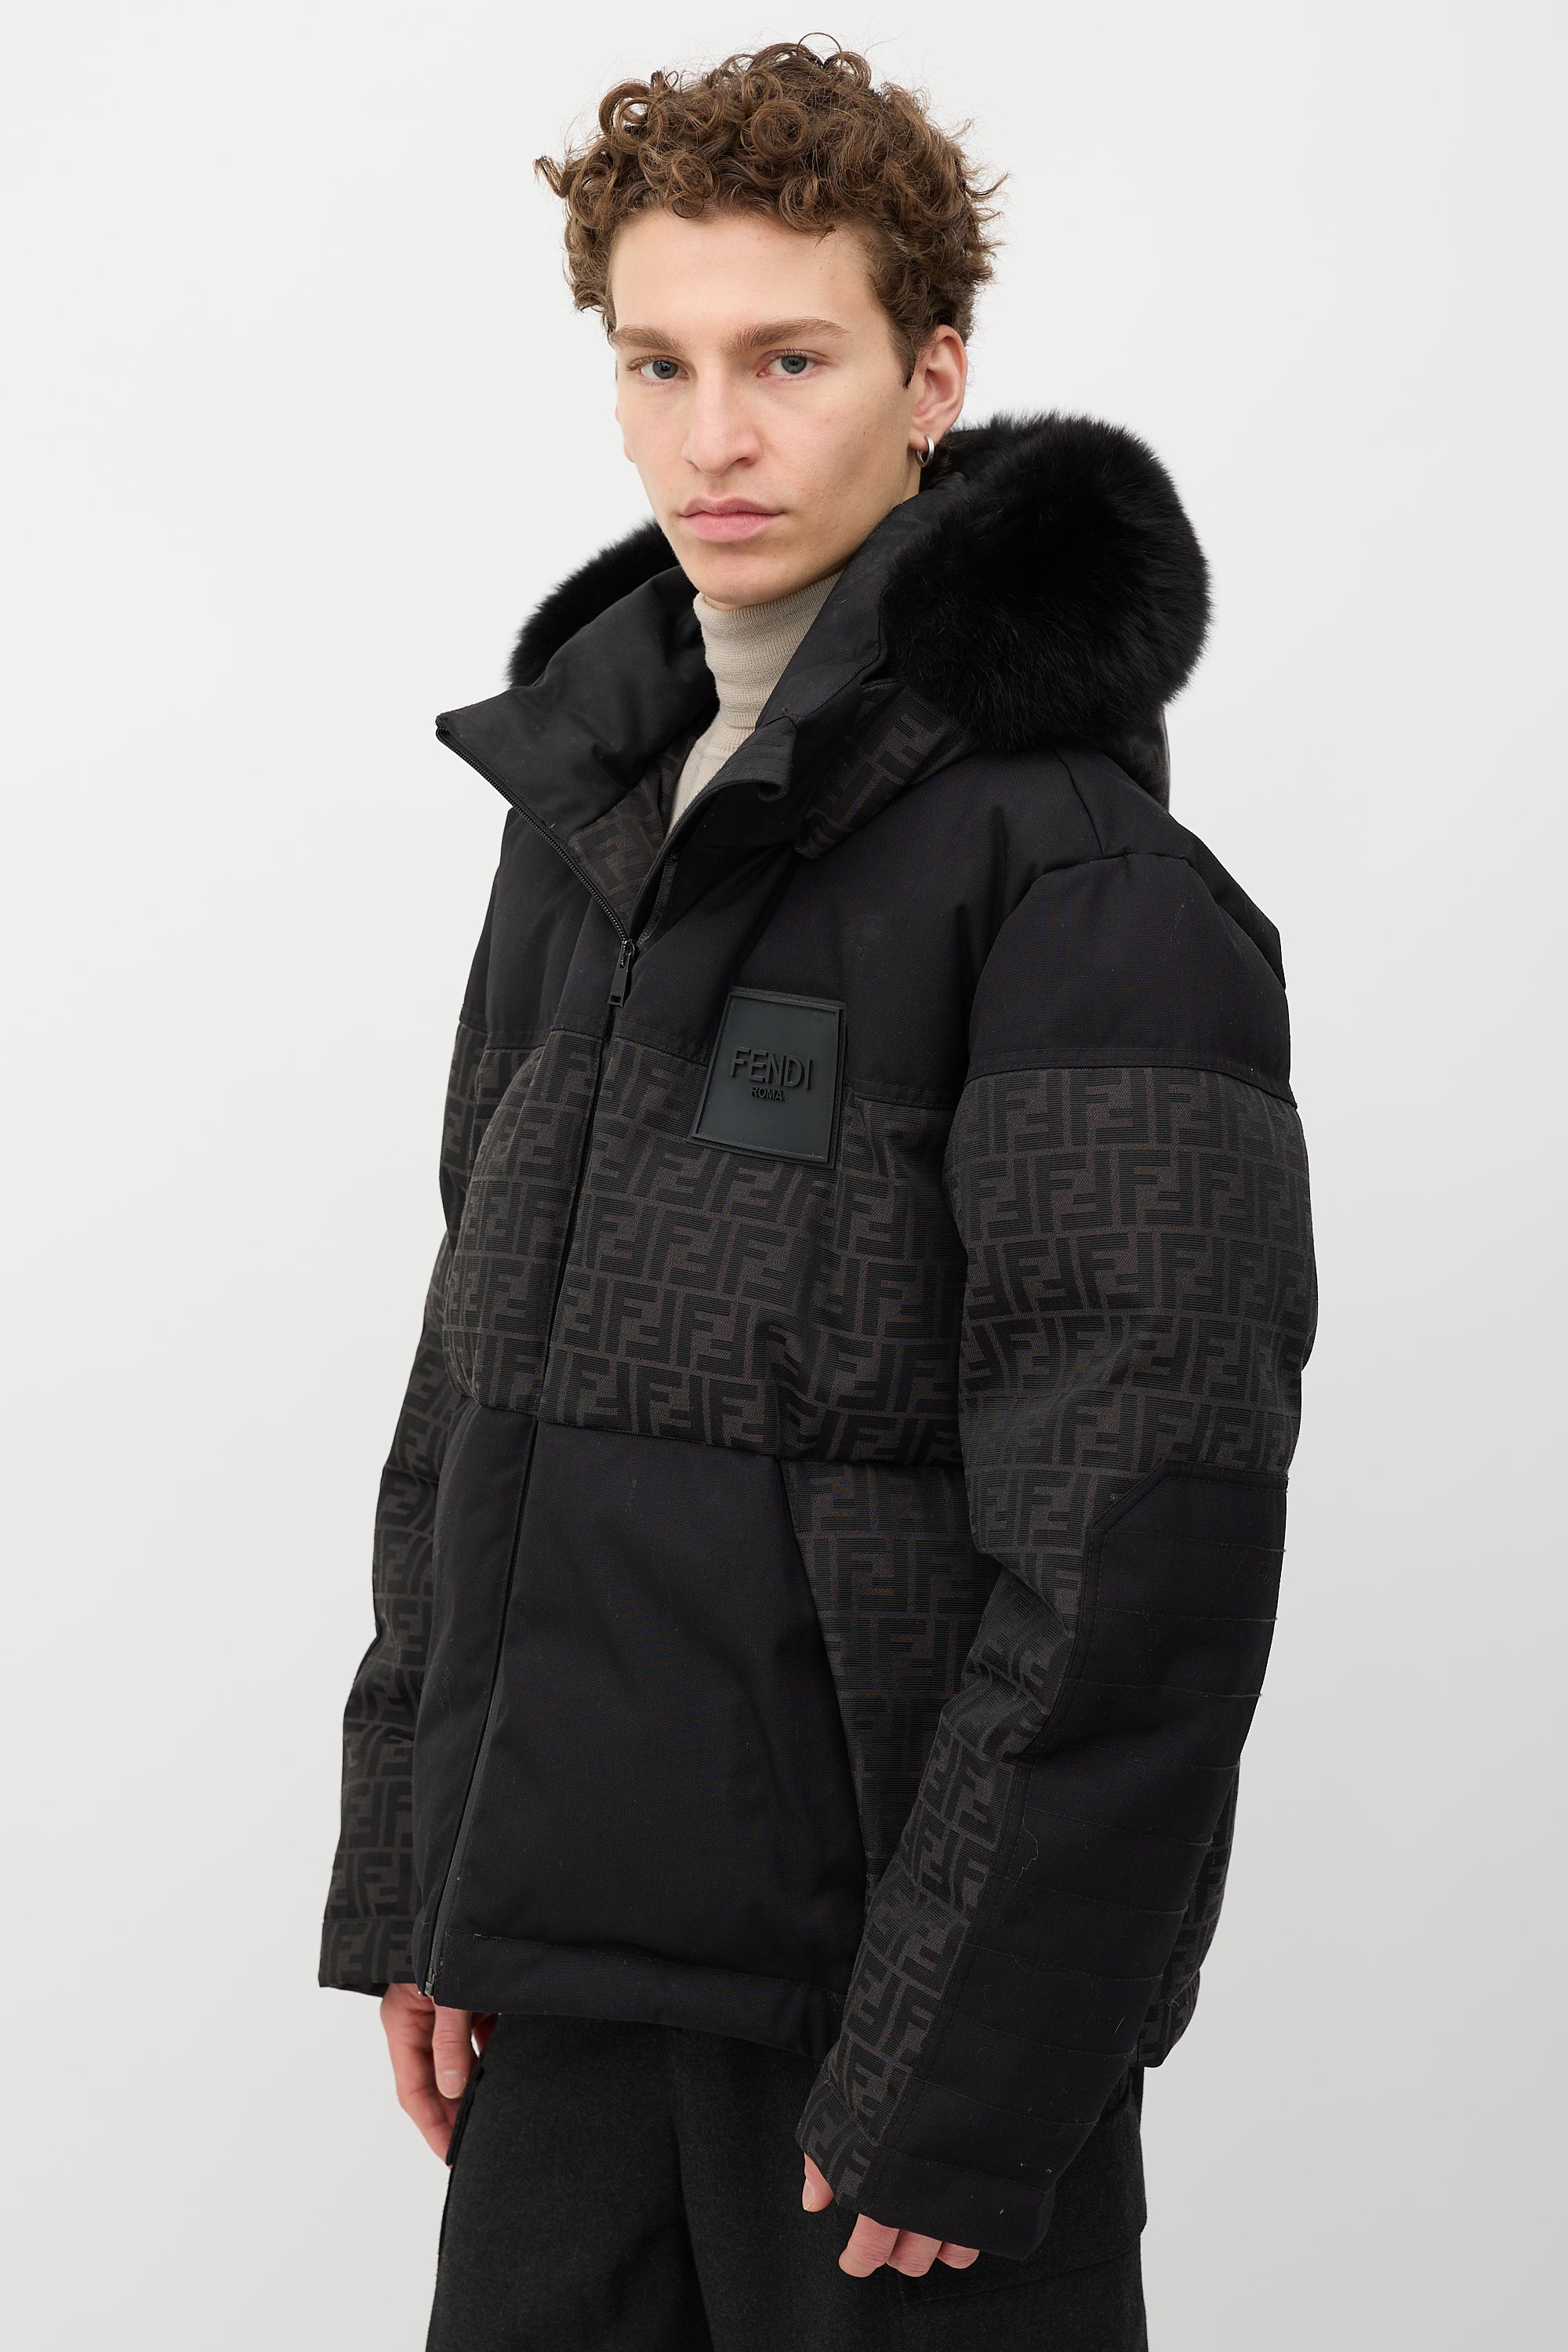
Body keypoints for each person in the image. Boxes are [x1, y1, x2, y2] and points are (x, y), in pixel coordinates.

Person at [319, 38, 1316, 2351]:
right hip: (562, 1995)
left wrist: (984, 2068)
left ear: (930, 375)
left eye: (790, 359)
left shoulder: (1081, 886)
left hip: (889, 2055)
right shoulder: (585, 826)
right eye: (656, 363)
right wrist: (426, 1877)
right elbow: (475, 1385)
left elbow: (1143, 1546)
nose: (715, 435)